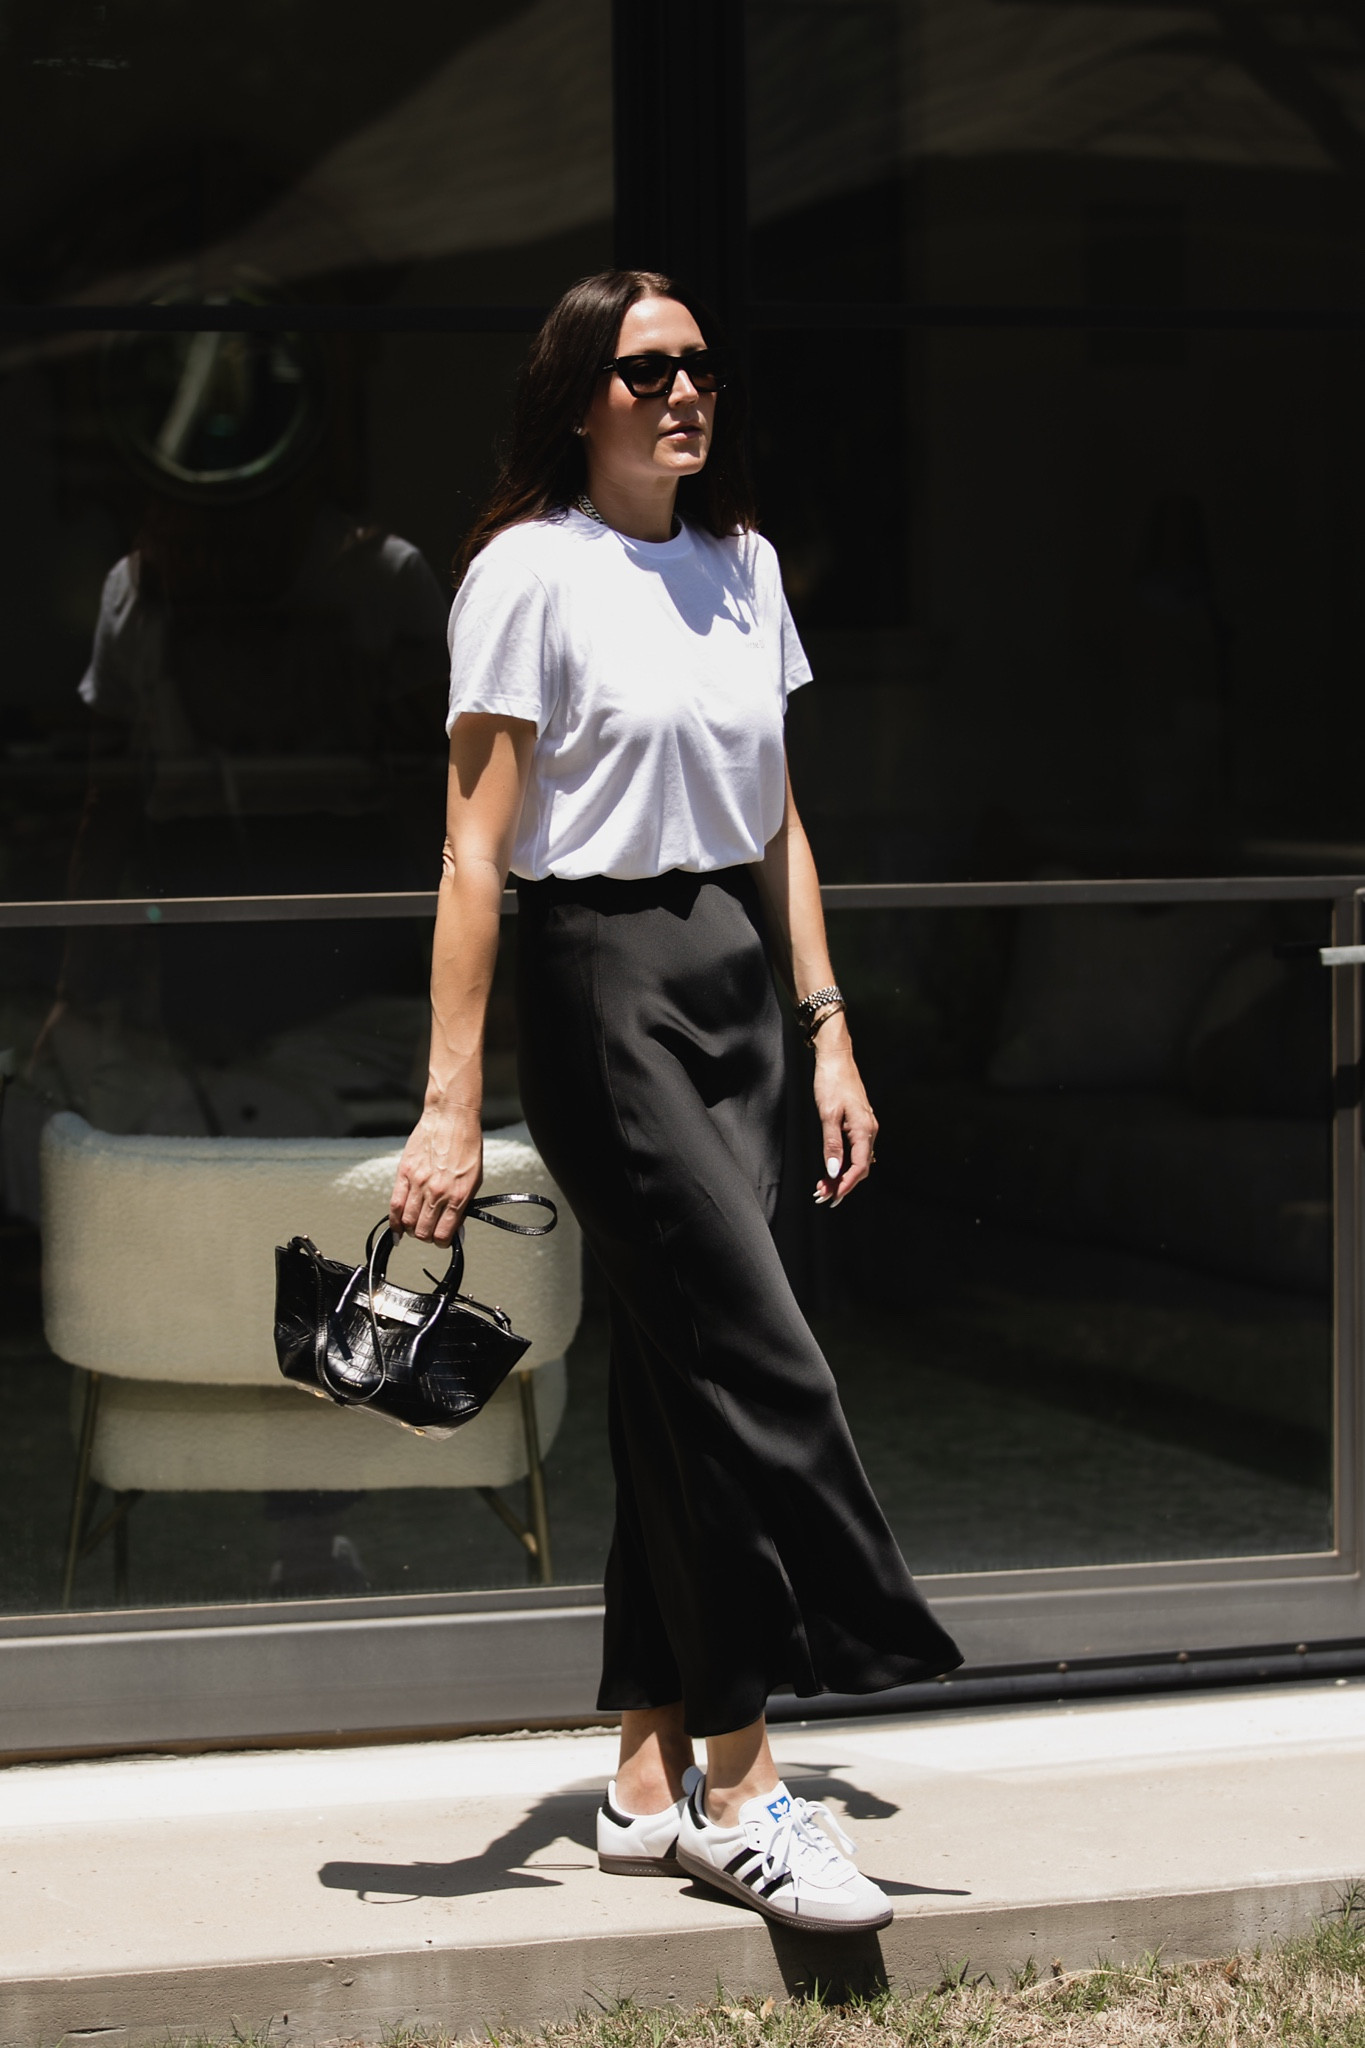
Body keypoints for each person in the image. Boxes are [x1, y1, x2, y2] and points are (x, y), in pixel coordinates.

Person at [389, 269, 962, 1933]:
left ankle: (644, 1781)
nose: (682, 392)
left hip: (731, 983)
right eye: (646, 371)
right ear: (579, 397)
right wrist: (449, 1099)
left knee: (671, 1376)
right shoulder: (526, 574)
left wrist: (830, 1029)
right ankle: (754, 1776)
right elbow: (475, 851)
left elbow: (776, 825)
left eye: (701, 365)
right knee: (744, 1361)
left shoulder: (743, 564)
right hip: (601, 989)